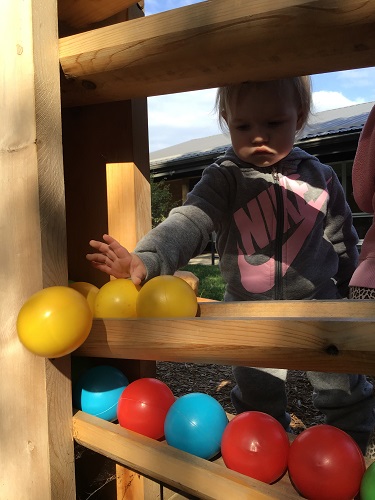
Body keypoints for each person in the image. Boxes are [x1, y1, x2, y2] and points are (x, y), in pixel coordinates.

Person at [87, 77, 375, 454]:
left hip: (316, 300)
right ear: (226, 119)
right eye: (244, 126)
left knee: (342, 384)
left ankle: (351, 455)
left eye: (273, 124)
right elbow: (187, 221)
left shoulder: (321, 177)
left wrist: (349, 291)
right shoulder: (224, 177)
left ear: (299, 115)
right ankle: (264, 454)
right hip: (247, 307)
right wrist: (146, 260)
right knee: (257, 390)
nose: (259, 137)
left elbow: (341, 237)